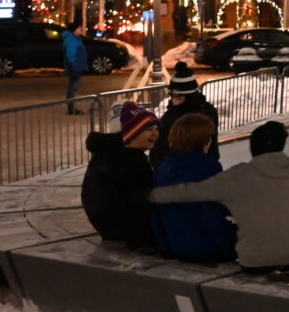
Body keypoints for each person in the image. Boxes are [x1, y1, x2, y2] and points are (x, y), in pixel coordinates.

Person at [153, 120, 289, 275]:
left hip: (251, 260)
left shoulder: (165, 168)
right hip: (288, 251)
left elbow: (193, 192)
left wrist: (151, 195)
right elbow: (213, 216)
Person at [149, 114, 236, 263]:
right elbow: (211, 214)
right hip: (205, 248)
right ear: (205, 140)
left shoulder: (164, 167)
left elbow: (156, 210)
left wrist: (166, 247)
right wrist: (227, 243)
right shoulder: (209, 167)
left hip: (175, 246)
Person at [81, 101, 160, 249]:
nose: (155, 133)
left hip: (105, 226)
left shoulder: (106, 152)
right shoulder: (133, 161)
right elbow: (139, 202)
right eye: (148, 129)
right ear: (133, 131)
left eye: (157, 128)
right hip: (122, 229)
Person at [151, 63, 219, 169]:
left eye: (179, 98)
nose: (174, 102)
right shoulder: (170, 115)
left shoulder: (206, 113)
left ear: (191, 97)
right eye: (172, 97)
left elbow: (212, 146)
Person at [62, 20, 89, 115]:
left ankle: (71, 108)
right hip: (75, 68)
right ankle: (71, 109)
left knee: (73, 87)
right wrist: (74, 68)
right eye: (79, 28)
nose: (81, 29)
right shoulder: (71, 40)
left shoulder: (74, 39)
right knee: (73, 88)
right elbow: (71, 55)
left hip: (76, 67)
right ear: (74, 30)